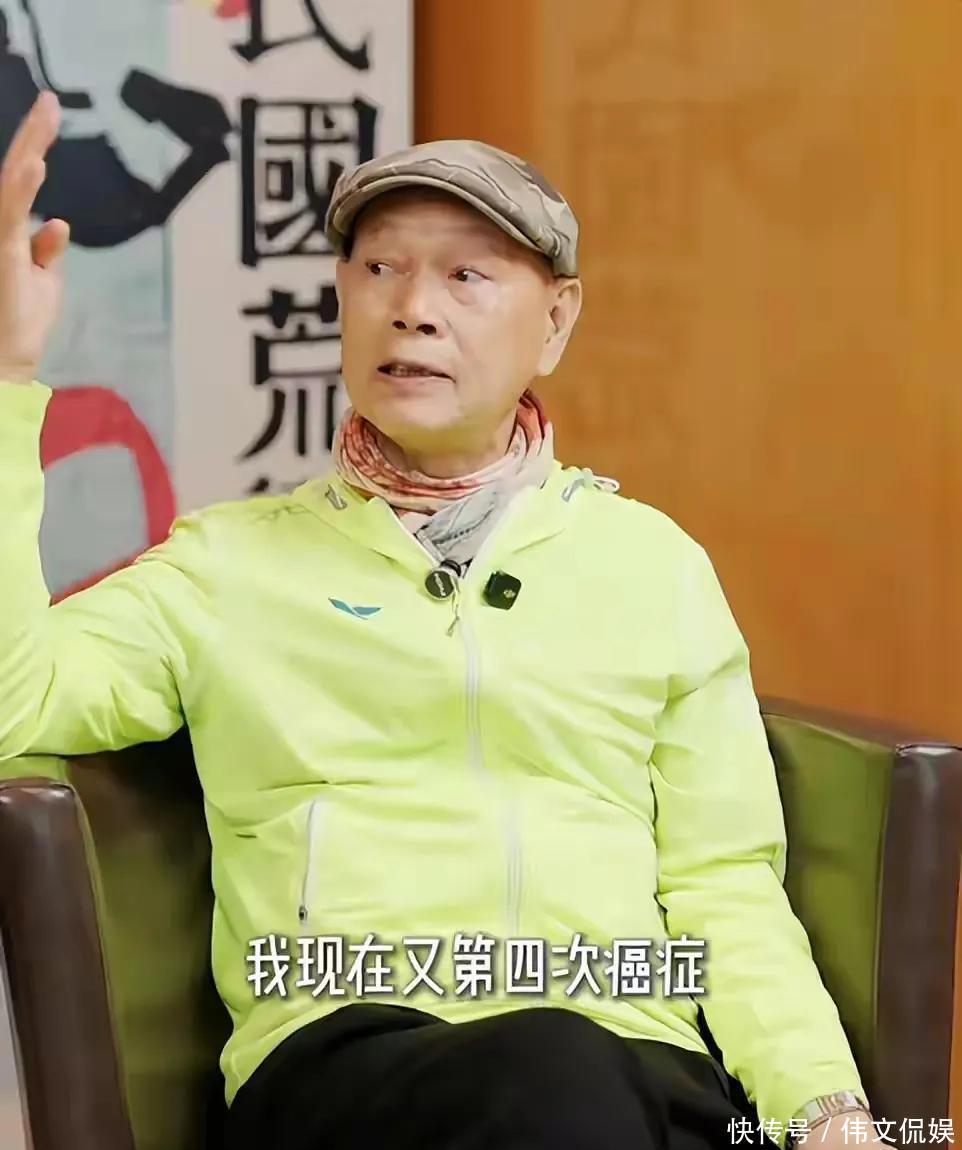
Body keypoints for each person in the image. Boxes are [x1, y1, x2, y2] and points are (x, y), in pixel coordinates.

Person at [0, 93, 878, 1150]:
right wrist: (5, 378)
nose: (412, 307)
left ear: (556, 320)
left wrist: (825, 1110)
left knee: (582, 1081)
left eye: (466, 275)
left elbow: (722, 881)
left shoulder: (654, 567)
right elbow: (15, 705)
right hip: (350, 1068)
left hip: (637, 1066)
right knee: (552, 1077)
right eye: (380, 268)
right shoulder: (226, 567)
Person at [0, 7, 231, 248]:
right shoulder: (14, 76)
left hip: (87, 202)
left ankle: (212, 144)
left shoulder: (16, 75)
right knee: (132, 91)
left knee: (131, 91)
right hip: (89, 199)